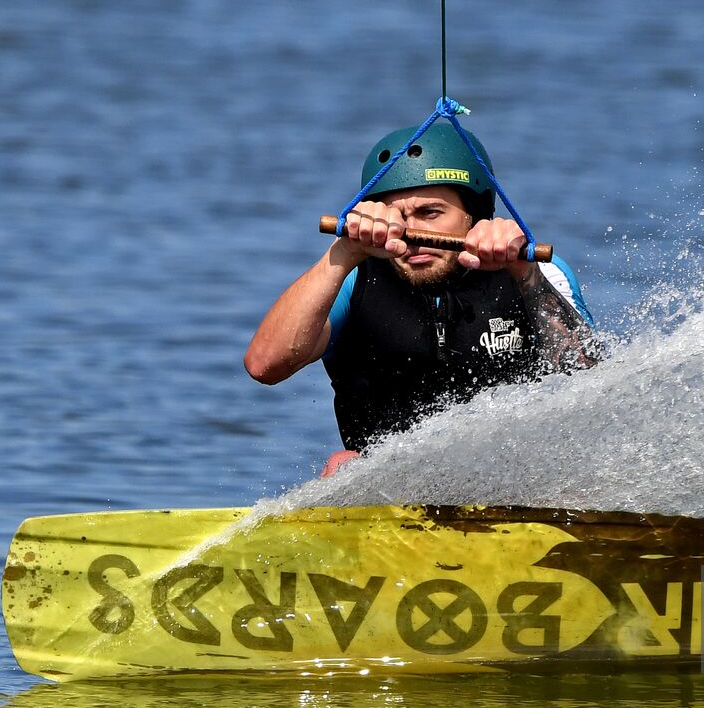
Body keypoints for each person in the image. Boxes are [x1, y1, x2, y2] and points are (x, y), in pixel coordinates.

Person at [245, 122, 598, 474]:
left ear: (472, 216)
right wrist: (343, 253)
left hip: (519, 477)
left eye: (430, 213)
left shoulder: (538, 272)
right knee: (343, 465)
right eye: (395, 218)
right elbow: (264, 366)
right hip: (387, 487)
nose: (413, 234)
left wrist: (524, 272)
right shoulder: (351, 278)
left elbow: (591, 387)